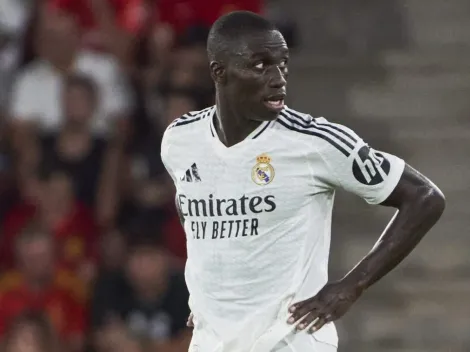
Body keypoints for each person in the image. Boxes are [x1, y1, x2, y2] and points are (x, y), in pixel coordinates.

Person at [160, 11, 446, 352]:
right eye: (260, 65)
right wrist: (205, 289)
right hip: (212, 341)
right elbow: (190, 202)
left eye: (282, 64)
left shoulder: (315, 142)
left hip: (290, 340)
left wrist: (352, 286)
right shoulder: (180, 139)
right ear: (218, 72)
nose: (278, 78)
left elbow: (425, 197)